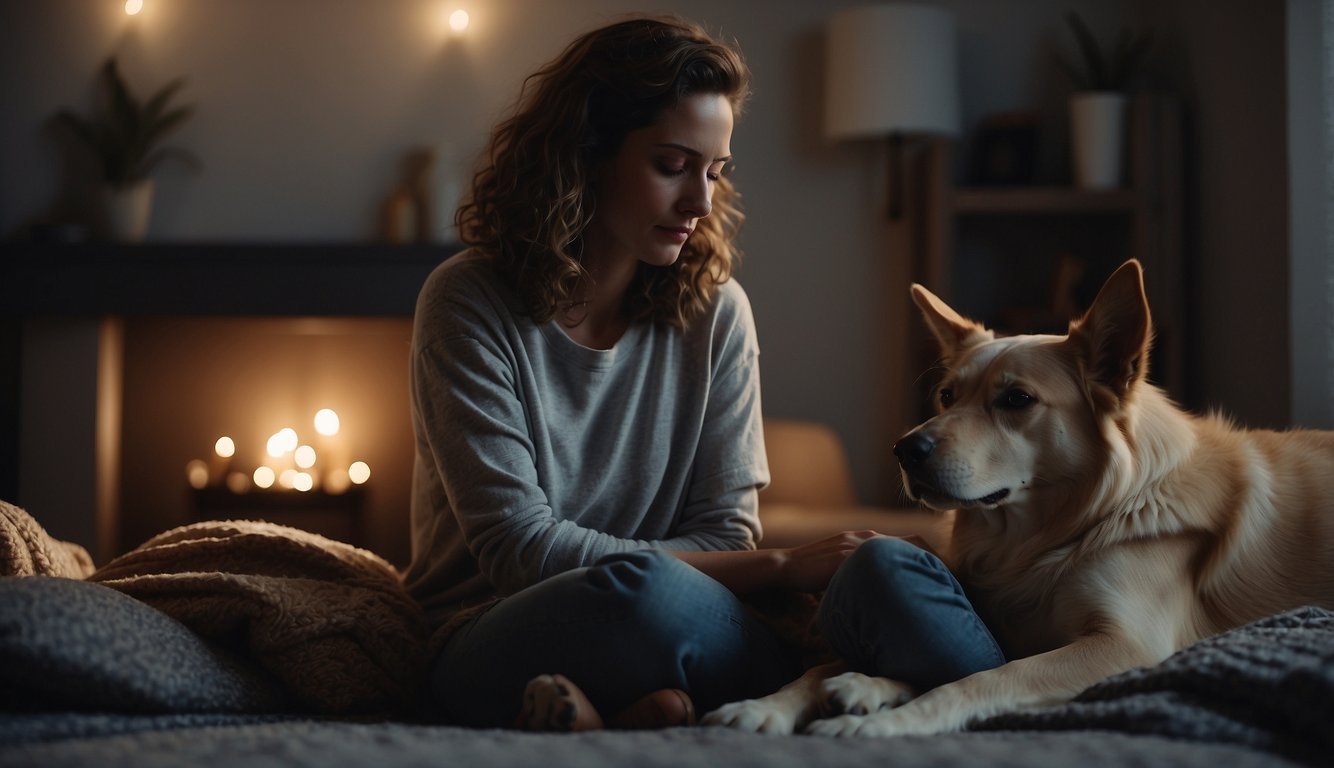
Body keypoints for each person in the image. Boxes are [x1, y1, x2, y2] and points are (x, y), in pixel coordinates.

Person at [404, 13, 1003, 732]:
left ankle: (641, 713)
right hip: (494, 630)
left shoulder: (717, 312)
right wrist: (783, 569)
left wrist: (788, 570)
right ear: (587, 154)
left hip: (675, 609)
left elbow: (724, 534)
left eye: (715, 171)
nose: (701, 202)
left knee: (882, 569)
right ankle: (685, 701)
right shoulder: (467, 300)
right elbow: (521, 549)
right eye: (672, 165)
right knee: (643, 594)